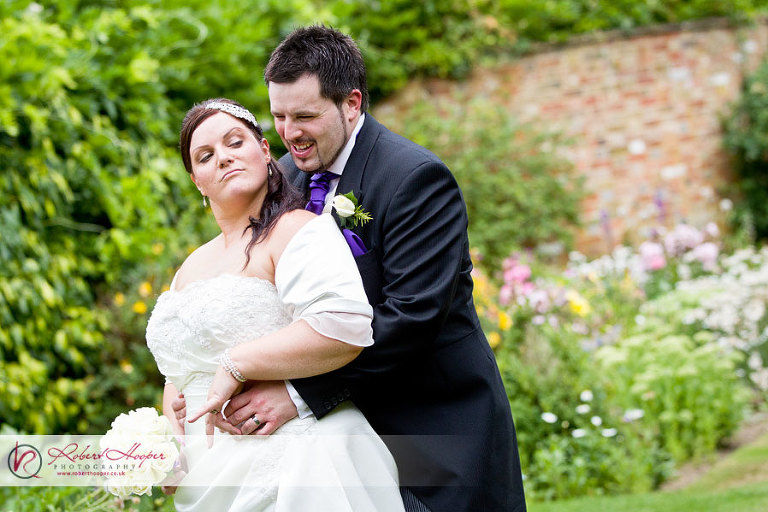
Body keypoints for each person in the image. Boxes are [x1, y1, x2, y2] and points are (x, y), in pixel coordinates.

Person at [146, 97, 406, 511]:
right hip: (210, 472)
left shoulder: (295, 230)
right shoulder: (191, 264)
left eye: (235, 142)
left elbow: (345, 325)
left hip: (297, 461)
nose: (224, 158)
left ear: (265, 150)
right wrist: (171, 424)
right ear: (197, 180)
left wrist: (237, 362)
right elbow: (183, 359)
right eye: (206, 155)